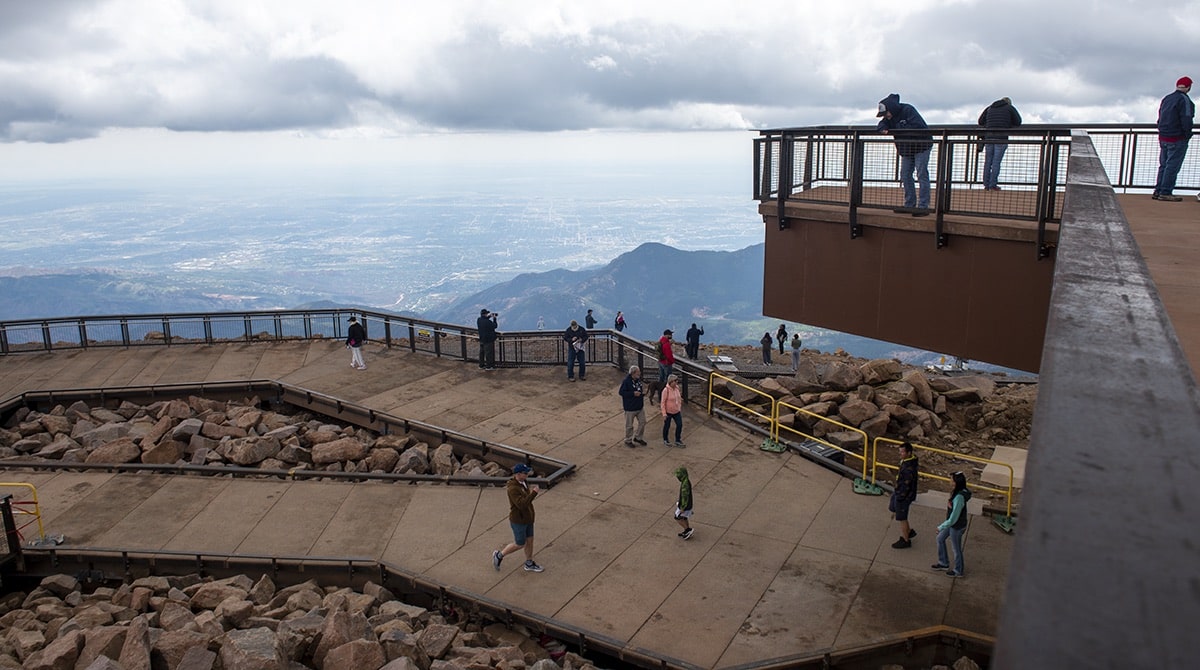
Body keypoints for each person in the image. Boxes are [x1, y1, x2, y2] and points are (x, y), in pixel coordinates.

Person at [877, 93, 934, 216]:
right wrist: (882, 128)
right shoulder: (889, 118)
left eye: (886, 113)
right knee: (905, 174)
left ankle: (923, 207)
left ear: (891, 109)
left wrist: (898, 127)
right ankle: (909, 204)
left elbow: (918, 126)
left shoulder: (908, 110)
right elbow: (882, 124)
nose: (886, 116)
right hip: (906, 149)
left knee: (921, 174)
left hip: (922, 146)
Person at [492, 463, 543, 573]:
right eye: (525, 473)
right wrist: (534, 493)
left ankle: (529, 563)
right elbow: (521, 505)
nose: (527, 474)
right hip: (518, 520)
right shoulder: (513, 489)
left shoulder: (524, 482)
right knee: (520, 543)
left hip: (528, 518)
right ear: (518, 474)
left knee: (530, 540)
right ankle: (499, 555)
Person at [1153, 76, 1195, 201]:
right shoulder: (1185, 100)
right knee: (1172, 165)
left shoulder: (1167, 98)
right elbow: (1187, 118)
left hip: (1164, 136)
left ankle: (1158, 190)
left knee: (1164, 165)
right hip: (1177, 137)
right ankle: (1166, 192)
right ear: (1188, 87)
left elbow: (1160, 115)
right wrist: (1187, 134)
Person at [933, 471, 973, 577]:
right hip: (953, 524)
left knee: (956, 549)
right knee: (940, 539)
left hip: (956, 526)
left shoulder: (959, 497)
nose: (950, 481)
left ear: (956, 482)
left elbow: (954, 518)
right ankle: (943, 563)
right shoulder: (958, 492)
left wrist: (941, 527)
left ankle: (958, 570)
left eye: (952, 479)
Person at [977, 97, 1023, 191]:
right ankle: (993, 185)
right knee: (996, 162)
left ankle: (986, 184)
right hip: (1001, 137)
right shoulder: (1010, 108)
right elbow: (1018, 121)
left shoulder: (989, 108)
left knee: (988, 162)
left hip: (988, 137)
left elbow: (980, 121)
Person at [891, 442, 919, 549]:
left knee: (902, 518)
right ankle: (909, 531)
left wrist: (900, 497)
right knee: (903, 516)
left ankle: (906, 540)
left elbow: (905, 486)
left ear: (909, 453)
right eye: (900, 451)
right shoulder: (909, 462)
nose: (900, 454)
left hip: (904, 497)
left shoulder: (908, 469)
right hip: (905, 495)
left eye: (902, 452)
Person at [619, 365, 648, 447]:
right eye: (638, 372)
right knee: (629, 426)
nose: (640, 373)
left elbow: (639, 389)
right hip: (630, 408)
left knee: (643, 422)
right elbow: (621, 392)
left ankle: (638, 437)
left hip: (639, 406)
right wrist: (632, 393)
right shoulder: (626, 382)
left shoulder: (638, 380)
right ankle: (628, 440)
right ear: (633, 373)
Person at [660, 374, 684, 447]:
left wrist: (679, 407)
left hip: (676, 411)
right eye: (675, 381)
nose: (677, 382)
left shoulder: (677, 388)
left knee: (679, 425)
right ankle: (665, 439)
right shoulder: (665, 390)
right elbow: (663, 402)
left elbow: (678, 398)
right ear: (671, 381)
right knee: (667, 426)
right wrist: (664, 414)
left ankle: (677, 439)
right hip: (668, 412)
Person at [673, 466, 694, 540]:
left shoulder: (685, 484)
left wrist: (683, 507)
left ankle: (688, 530)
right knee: (684, 517)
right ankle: (686, 530)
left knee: (677, 517)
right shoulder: (686, 481)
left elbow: (685, 497)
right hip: (687, 504)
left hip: (685, 505)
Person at [656, 329, 675, 397]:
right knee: (667, 379)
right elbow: (668, 355)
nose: (671, 336)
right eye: (670, 334)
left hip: (661, 361)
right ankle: (666, 393)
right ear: (667, 335)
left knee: (661, 377)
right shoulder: (666, 344)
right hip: (666, 363)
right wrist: (672, 361)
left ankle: (660, 393)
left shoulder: (661, 341)